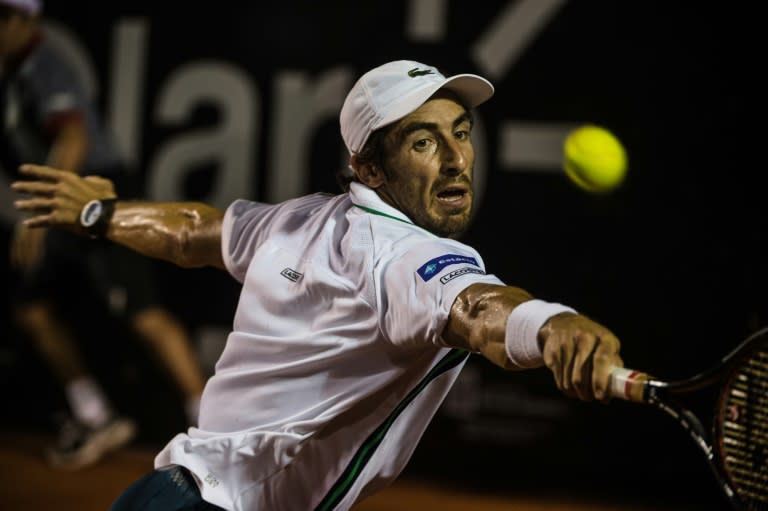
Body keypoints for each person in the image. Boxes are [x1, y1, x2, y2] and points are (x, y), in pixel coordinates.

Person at [12, 59, 625, 510]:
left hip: (162, 495)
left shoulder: (300, 219)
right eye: (423, 140)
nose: (455, 159)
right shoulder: (410, 257)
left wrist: (101, 214)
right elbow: (478, 308)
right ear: (368, 166)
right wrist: (550, 325)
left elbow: (194, 233)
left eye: (460, 132)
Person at [1, 0, 206, 469]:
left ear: (28, 22)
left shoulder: (44, 65)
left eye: (4, 17)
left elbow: (75, 137)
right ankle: (95, 417)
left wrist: (46, 207)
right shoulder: (9, 77)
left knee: (145, 316)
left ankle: (210, 427)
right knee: (32, 310)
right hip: (63, 202)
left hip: (98, 195)